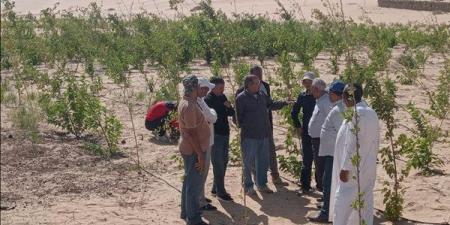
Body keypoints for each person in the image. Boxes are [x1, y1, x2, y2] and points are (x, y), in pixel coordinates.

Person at [331, 84, 380, 225]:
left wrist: (345, 168)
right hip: (368, 166)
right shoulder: (371, 112)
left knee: (343, 202)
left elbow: (351, 144)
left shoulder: (356, 114)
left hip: (353, 169)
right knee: (364, 201)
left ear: (347, 98)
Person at [236, 65, 289, 186]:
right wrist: (248, 126)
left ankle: (262, 184)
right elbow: (239, 117)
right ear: (248, 84)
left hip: (264, 132)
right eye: (256, 82)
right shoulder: (241, 97)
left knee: (263, 160)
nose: (259, 83)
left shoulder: (261, 94)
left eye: (259, 81)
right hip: (249, 134)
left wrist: (284, 103)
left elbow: (270, 104)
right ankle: (248, 185)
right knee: (248, 161)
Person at [308, 80, 346, 223]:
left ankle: (326, 213)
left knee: (329, 181)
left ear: (336, 94)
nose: (328, 94)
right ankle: (328, 205)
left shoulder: (339, 110)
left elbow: (341, 134)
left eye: (330, 92)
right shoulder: (339, 107)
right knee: (328, 180)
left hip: (333, 152)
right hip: (331, 151)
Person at [178, 75, 211, 225]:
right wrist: (200, 155)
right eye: (198, 86)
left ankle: (186, 212)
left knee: (188, 181)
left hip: (190, 148)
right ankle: (194, 218)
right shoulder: (190, 106)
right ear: (194, 88)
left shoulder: (187, 102)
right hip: (193, 150)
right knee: (194, 185)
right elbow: (191, 133)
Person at [204, 77, 235, 202]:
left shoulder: (222, 97)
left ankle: (215, 188)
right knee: (218, 163)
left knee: (224, 161)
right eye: (220, 87)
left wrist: (228, 106)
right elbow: (211, 118)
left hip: (225, 133)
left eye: (223, 87)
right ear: (213, 87)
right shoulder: (208, 100)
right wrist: (223, 108)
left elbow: (231, 113)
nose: (223, 90)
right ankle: (221, 193)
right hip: (214, 135)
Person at [291, 72, 316, 194]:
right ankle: (305, 186)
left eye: (310, 81)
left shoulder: (321, 96)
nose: (307, 84)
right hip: (306, 131)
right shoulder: (302, 96)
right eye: (305, 81)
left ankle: (321, 187)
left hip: (319, 132)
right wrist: (298, 125)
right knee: (307, 160)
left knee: (319, 160)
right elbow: (294, 112)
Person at [308, 78, 334, 193]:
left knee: (322, 166)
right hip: (317, 139)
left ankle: (325, 192)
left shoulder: (326, 102)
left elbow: (331, 121)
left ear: (317, 89)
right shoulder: (320, 100)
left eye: (312, 90)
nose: (310, 92)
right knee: (319, 165)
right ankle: (323, 192)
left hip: (322, 140)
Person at [196, 77, 218, 211]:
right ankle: (200, 201)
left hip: (206, 141)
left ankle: (200, 196)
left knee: (203, 171)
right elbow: (212, 117)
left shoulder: (201, 101)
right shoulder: (197, 103)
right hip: (202, 143)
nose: (205, 90)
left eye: (206, 88)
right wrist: (212, 113)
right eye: (203, 88)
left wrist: (212, 114)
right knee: (201, 172)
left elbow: (211, 117)